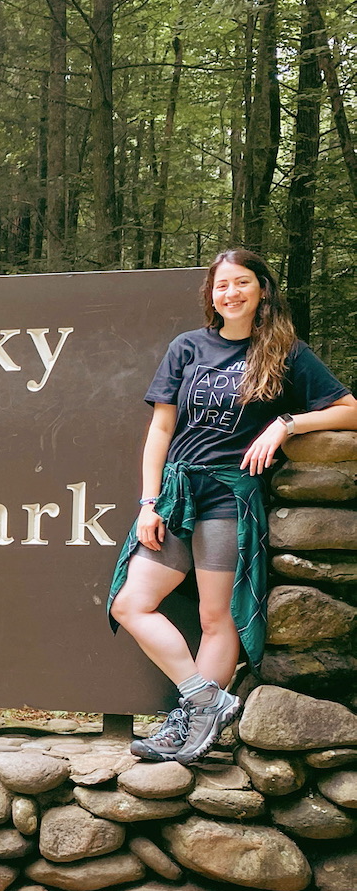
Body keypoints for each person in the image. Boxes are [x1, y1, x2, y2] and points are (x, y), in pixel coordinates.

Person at [108, 248, 357, 764]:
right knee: (130, 603)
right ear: (212, 296)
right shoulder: (187, 348)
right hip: (177, 495)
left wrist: (287, 423)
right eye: (222, 286)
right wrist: (148, 501)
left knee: (215, 615)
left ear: (261, 290)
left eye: (242, 283)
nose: (232, 293)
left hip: (230, 497)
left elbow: (349, 410)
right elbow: (161, 428)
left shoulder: (286, 352)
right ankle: (207, 700)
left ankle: (189, 725)